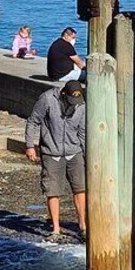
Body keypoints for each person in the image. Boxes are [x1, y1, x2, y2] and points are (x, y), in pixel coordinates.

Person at [24, 80, 87, 242]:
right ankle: (56, 229)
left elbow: (82, 131)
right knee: (53, 190)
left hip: (74, 151)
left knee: (80, 189)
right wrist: (30, 145)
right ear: (63, 94)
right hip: (51, 152)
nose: (74, 105)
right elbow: (33, 121)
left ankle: (83, 226)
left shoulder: (81, 104)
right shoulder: (47, 99)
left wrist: (86, 154)